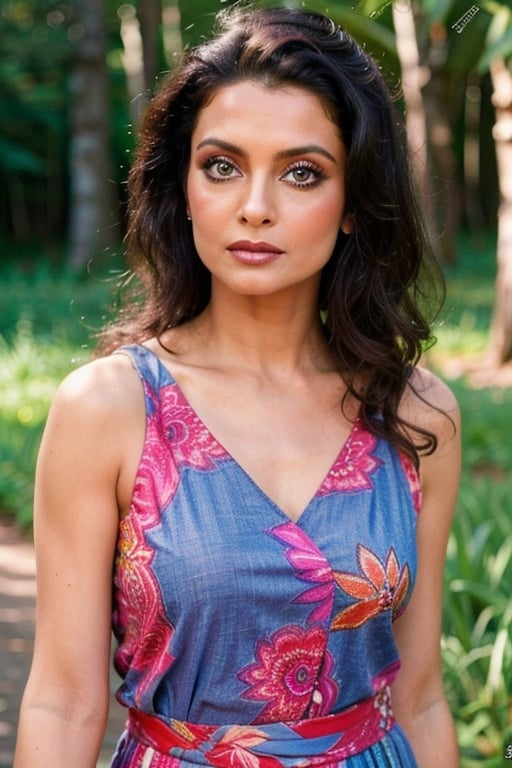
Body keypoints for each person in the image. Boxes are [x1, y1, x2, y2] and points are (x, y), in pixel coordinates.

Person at [14, 5, 461, 767]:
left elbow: (418, 695)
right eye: (222, 165)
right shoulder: (111, 408)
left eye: (301, 172)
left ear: (354, 202)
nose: (255, 205)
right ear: (184, 186)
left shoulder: (415, 414)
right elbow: (63, 700)